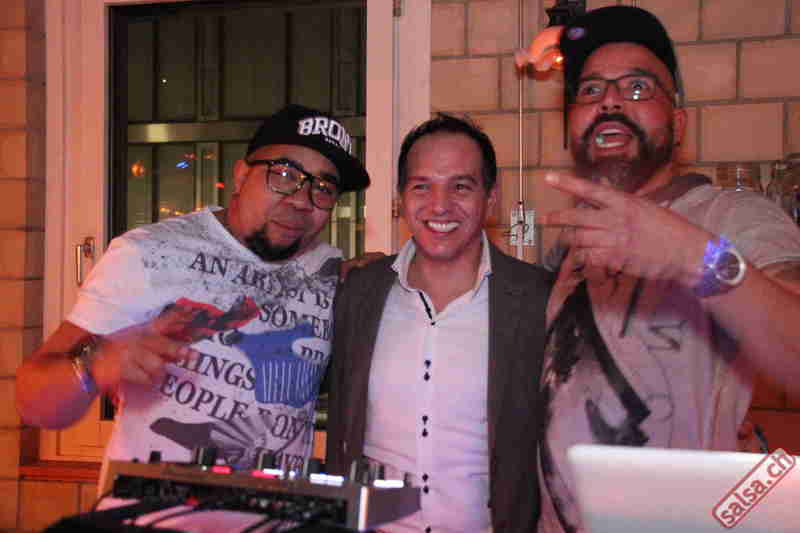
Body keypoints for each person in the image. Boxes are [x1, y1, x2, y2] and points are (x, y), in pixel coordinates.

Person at [16, 104, 370, 531]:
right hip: (150, 521)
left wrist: (374, 278)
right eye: (283, 174)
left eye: (324, 188)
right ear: (241, 175)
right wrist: (94, 361)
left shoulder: (329, 272)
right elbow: (34, 403)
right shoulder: (150, 253)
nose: (300, 200)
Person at [519, 6, 800, 533]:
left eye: (638, 87)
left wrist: (694, 258)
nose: (609, 101)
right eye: (590, 90)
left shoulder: (729, 217)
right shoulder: (574, 242)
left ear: (678, 122)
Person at [325, 114, 553, 533]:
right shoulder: (358, 294)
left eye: (460, 186)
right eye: (421, 186)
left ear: (491, 198)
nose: (440, 205)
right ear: (400, 198)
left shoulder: (539, 300)